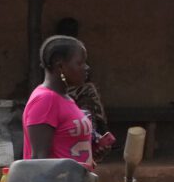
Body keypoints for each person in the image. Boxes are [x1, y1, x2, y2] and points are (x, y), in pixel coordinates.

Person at [23, 35, 110, 165]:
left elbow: (66, 149)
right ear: (60, 66)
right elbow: (39, 162)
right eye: (80, 63)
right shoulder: (46, 100)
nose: (86, 68)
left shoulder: (66, 99)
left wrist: (92, 152)